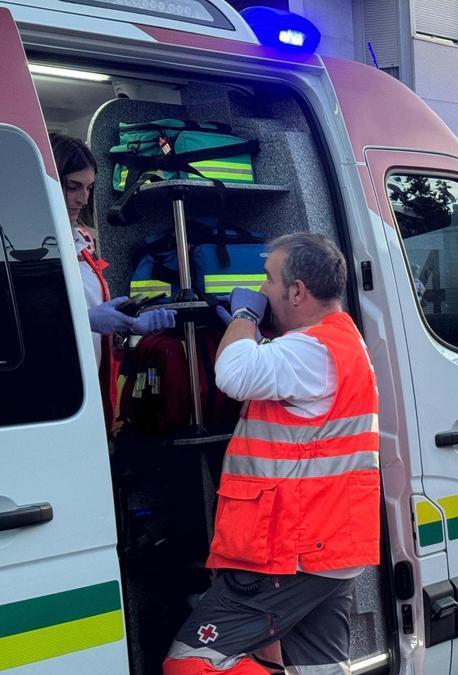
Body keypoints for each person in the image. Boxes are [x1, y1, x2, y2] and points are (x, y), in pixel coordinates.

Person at [163, 233, 380, 675]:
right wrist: (248, 333)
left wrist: (243, 317)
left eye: (268, 279)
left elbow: (235, 375)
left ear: (297, 290)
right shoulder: (335, 342)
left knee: (191, 664)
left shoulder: (313, 349)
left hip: (291, 549)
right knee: (321, 670)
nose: (262, 288)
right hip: (325, 547)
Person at [50, 133, 175, 366]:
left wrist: (126, 321)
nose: (83, 199)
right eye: (73, 187)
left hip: (90, 378)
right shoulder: (21, 247)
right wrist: (84, 320)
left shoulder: (83, 239)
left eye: (89, 188)